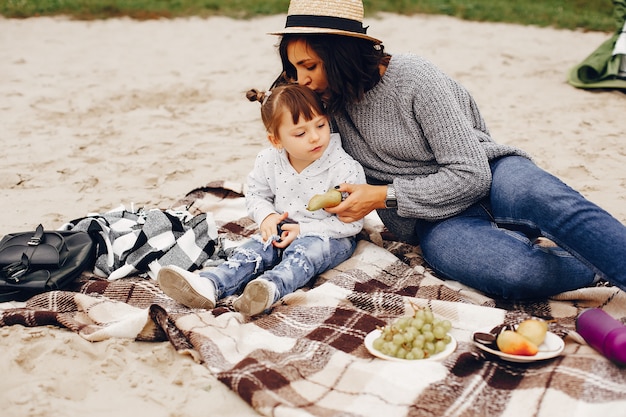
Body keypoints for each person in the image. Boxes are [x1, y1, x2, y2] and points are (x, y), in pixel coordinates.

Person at [268, 0, 626, 300]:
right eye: (293, 68)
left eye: (310, 66)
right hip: (435, 220)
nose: (301, 80)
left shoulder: (414, 78)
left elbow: (471, 174)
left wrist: (382, 195)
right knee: (517, 272)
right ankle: (594, 266)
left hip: (492, 176)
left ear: (341, 55)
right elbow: (294, 156)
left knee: (548, 198)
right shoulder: (322, 107)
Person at [158, 83, 366, 315]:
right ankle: (210, 284)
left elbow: (352, 223)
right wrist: (266, 216)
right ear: (276, 140)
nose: (315, 137)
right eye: (300, 133)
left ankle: (269, 288)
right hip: (282, 228)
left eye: (321, 124)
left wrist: (303, 230)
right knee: (254, 250)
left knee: (304, 255)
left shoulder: (344, 167)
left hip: (329, 236)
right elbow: (256, 194)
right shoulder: (269, 160)